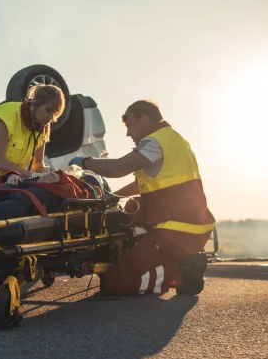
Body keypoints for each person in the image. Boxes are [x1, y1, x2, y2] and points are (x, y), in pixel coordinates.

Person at [68, 99, 215, 296]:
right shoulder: (173, 139)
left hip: (176, 229)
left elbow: (119, 167)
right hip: (185, 223)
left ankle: (183, 273)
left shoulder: (155, 142)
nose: (128, 133)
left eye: (130, 126)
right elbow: (144, 184)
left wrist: (86, 162)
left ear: (144, 119)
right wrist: (114, 196)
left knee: (116, 283)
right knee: (130, 209)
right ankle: (176, 260)